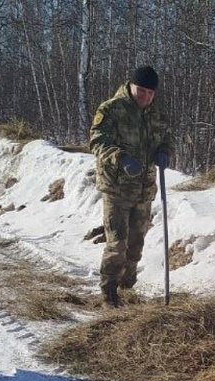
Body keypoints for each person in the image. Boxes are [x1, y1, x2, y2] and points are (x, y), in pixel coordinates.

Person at [89, 65, 174, 308]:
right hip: (117, 188)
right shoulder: (111, 110)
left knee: (136, 244)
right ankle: (109, 294)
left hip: (144, 189)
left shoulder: (156, 113)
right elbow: (97, 142)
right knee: (117, 244)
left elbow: (167, 138)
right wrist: (121, 158)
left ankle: (127, 287)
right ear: (130, 86)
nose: (145, 96)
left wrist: (165, 152)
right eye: (141, 91)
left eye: (150, 92)